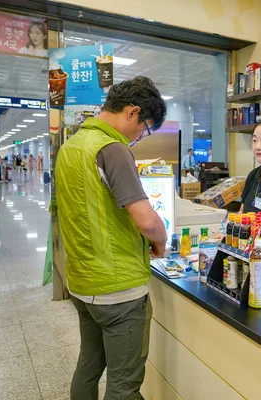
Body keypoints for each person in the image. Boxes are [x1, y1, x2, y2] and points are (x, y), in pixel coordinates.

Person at [55, 76, 168, 399]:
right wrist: (161, 239)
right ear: (133, 112)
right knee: (124, 385)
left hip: (82, 282)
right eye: (145, 129)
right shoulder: (113, 149)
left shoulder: (72, 146)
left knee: (89, 365)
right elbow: (146, 221)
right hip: (117, 289)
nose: (139, 138)